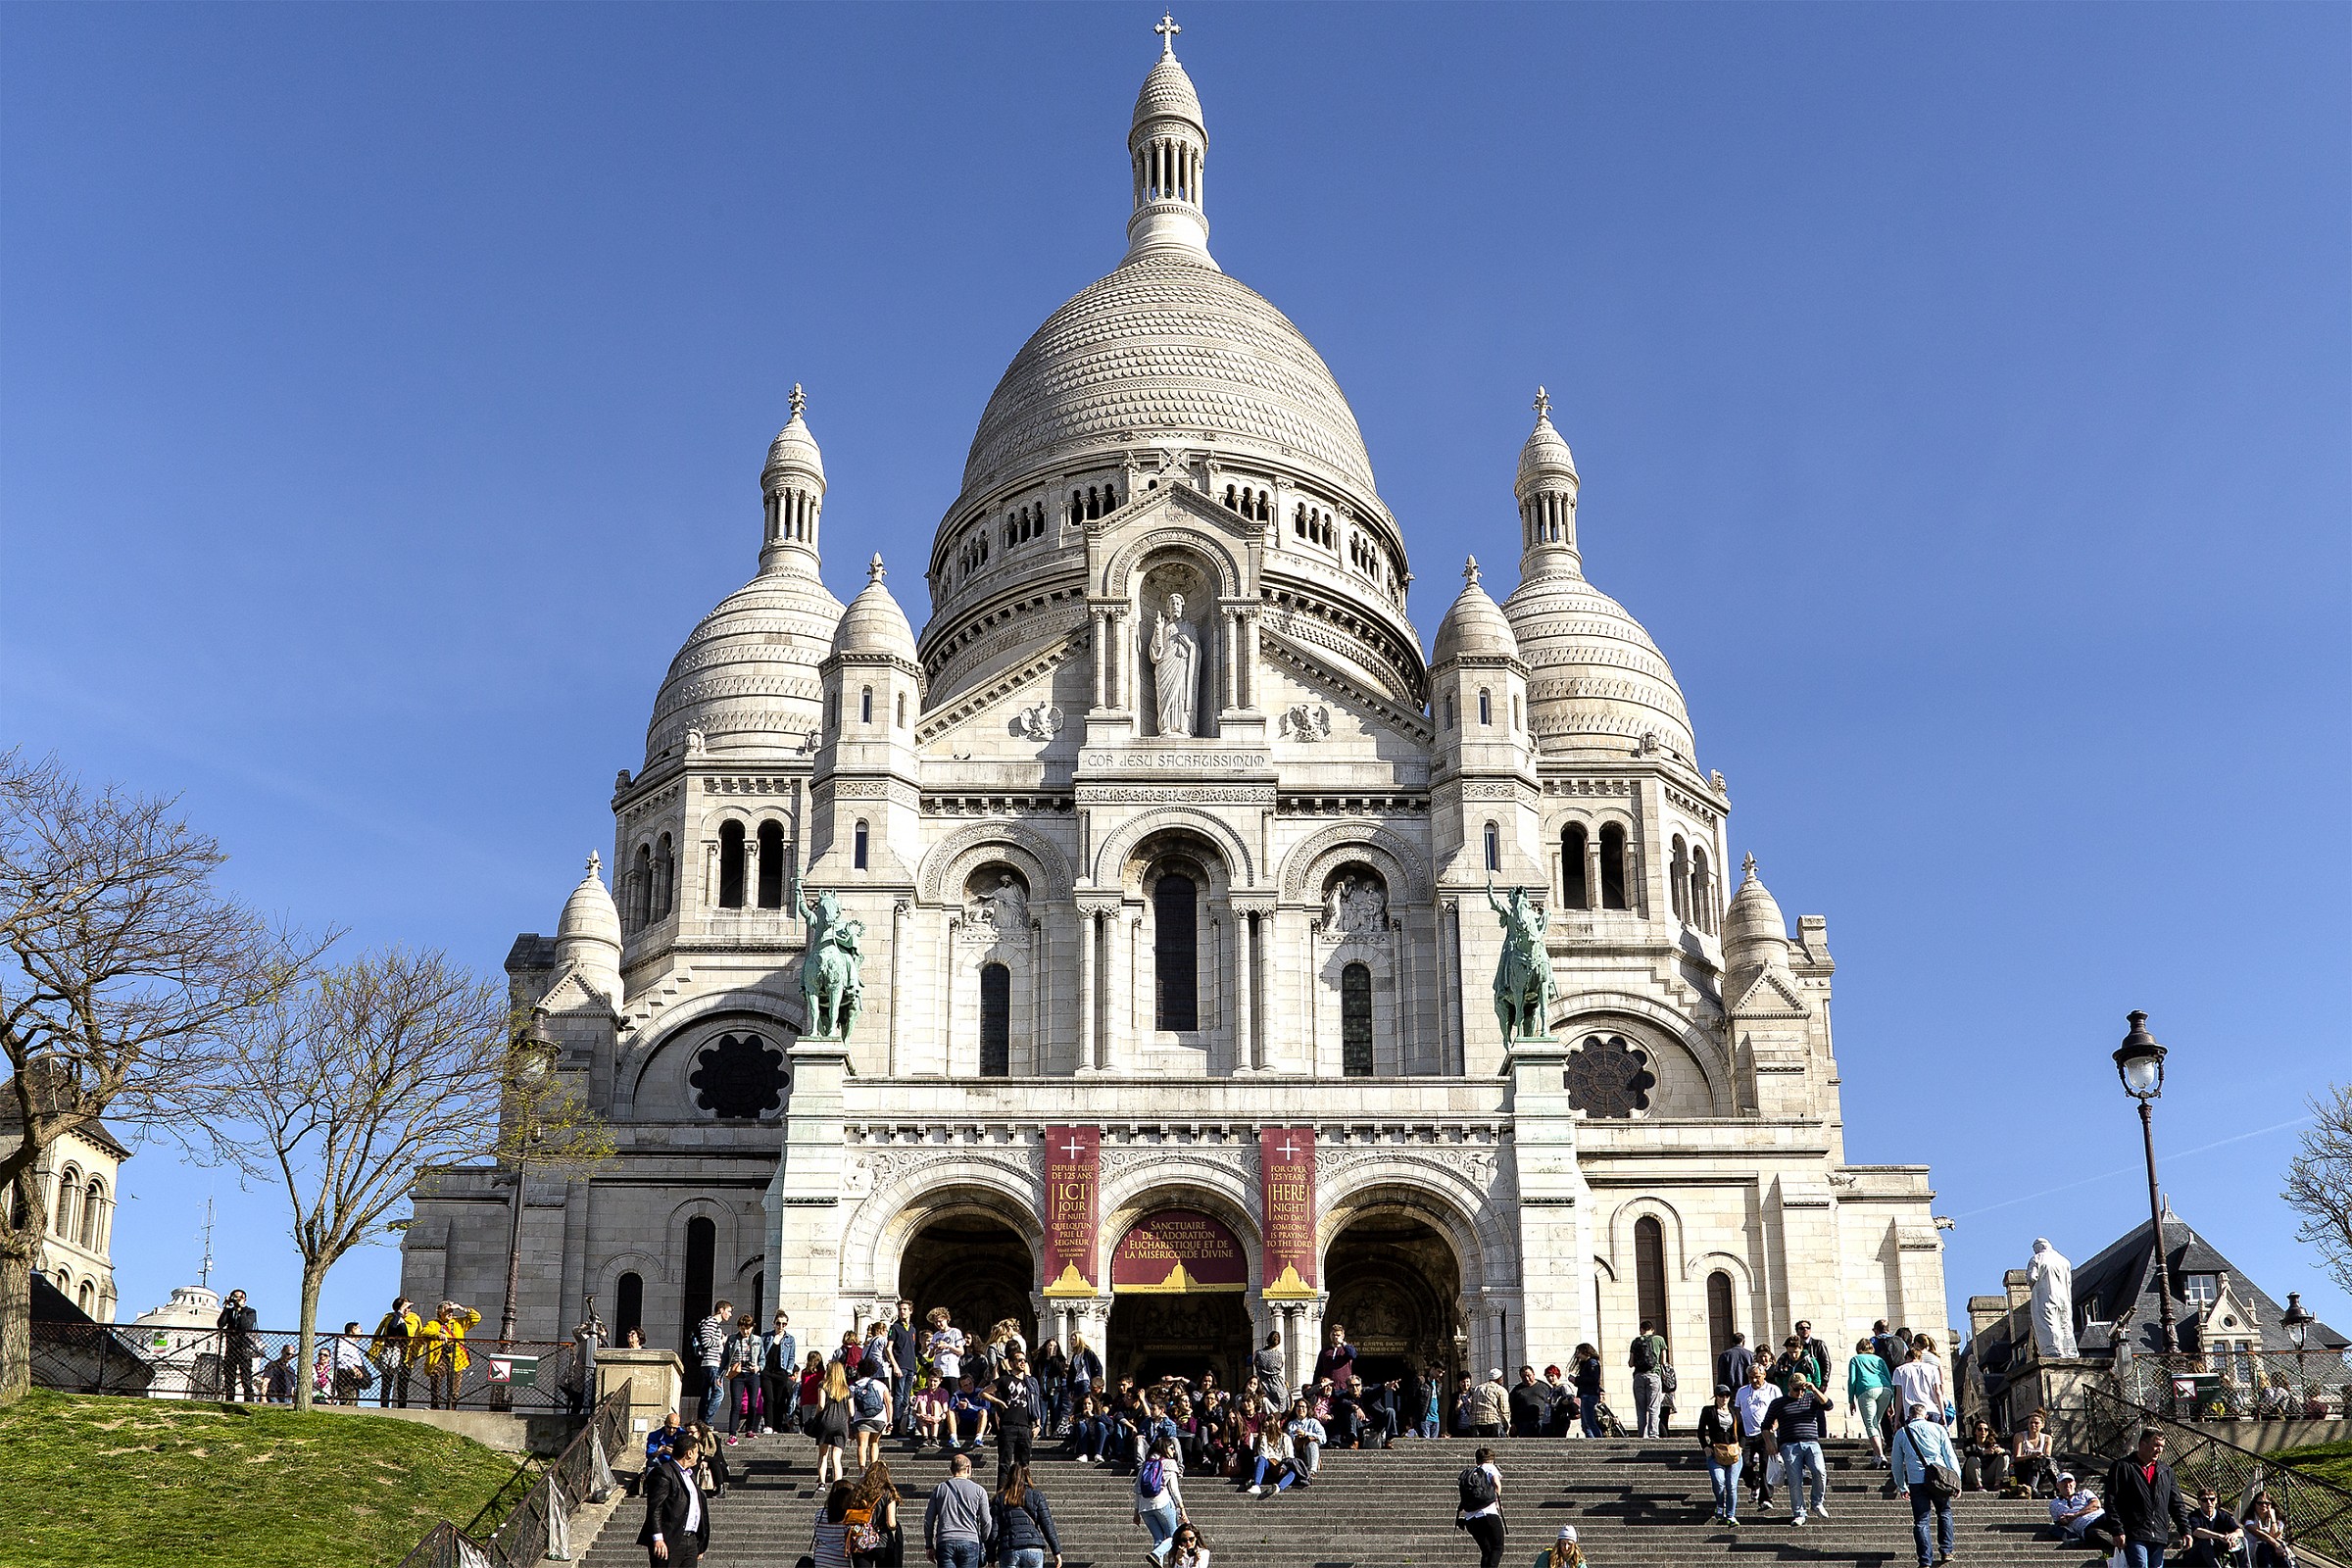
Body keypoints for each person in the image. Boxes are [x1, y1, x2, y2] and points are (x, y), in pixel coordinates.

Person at [2101, 1426, 2188, 1568]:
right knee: (2140, 1565)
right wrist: (2117, 1529)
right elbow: (2111, 1501)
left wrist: (2185, 1530)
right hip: (2134, 1532)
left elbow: (2176, 1503)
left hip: (2158, 1534)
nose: (2159, 1450)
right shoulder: (2122, 1467)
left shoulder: (2166, 1471)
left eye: (2162, 1446)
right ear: (2142, 1444)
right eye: (2156, 1445)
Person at [1890, 1400, 1960, 1568]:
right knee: (1944, 1512)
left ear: (1909, 1417)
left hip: (1916, 1480)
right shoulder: (1938, 1429)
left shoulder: (1902, 1433)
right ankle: (1947, 1551)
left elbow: (1896, 1463)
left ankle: (1925, 1560)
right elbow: (1950, 1456)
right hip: (1939, 1478)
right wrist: (1957, 1481)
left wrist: (1902, 1485)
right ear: (1926, 1416)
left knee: (1921, 1521)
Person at [1761, 1371, 1833, 1526]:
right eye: (1796, 1389)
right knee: (1795, 1480)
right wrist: (1769, 1443)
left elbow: (1828, 1405)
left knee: (1819, 1471)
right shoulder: (1778, 1403)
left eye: (1802, 1389)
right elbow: (1765, 1425)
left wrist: (1814, 1389)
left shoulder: (1811, 1398)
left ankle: (1817, 1502)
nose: (1800, 1393)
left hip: (1811, 1442)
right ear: (1789, 1386)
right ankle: (1799, 1513)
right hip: (1789, 1444)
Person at [638, 1428, 710, 1568]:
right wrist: (658, 1538)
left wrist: (700, 1542)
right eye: (697, 1452)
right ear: (689, 1453)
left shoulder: (689, 1475)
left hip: (691, 1540)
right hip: (669, 1539)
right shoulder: (664, 1472)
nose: (698, 1456)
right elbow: (655, 1507)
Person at [986, 1348, 1045, 1486]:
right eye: (1019, 1360)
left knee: (1023, 1465)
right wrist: (998, 1402)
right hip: (1008, 1425)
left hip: (1025, 1426)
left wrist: (1038, 1425)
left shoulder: (1030, 1383)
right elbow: (983, 1393)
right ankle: (1001, 1493)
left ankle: (1021, 1492)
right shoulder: (1004, 1380)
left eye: (1024, 1360)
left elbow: (1035, 1403)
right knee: (1004, 1463)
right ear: (1011, 1363)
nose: (1023, 1363)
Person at [925, 1451, 994, 1568]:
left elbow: (928, 1519)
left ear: (951, 1469)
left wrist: (929, 1545)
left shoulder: (940, 1489)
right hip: (970, 1540)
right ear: (968, 1468)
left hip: (945, 1540)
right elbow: (986, 1521)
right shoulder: (979, 1490)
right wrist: (982, 1539)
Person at [989, 1463, 1060, 1568]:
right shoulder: (1037, 1496)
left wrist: (990, 1557)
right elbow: (1047, 1525)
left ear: (1009, 1476)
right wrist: (1056, 1551)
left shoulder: (1000, 1498)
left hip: (1009, 1548)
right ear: (1028, 1476)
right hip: (1033, 1547)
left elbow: (994, 1530)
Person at [416, 1300, 481, 1410]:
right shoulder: (433, 1324)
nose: (450, 1313)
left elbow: (476, 1318)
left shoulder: (458, 1322)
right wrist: (437, 1335)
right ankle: (435, 1405)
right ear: (439, 1312)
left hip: (457, 1359)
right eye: (447, 1311)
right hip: (441, 1357)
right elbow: (424, 1332)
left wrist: (462, 1308)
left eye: (451, 1311)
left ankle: (451, 1409)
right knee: (436, 1375)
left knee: (454, 1388)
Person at [1133, 1436, 1188, 1563]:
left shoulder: (1146, 1464)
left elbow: (1137, 1489)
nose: (1173, 1451)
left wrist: (1136, 1512)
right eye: (1171, 1448)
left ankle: (1158, 1562)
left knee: (1158, 1539)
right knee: (1175, 1536)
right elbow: (1174, 1489)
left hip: (1144, 1508)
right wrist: (1182, 1507)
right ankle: (1157, 1554)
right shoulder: (1169, 1463)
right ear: (1164, 1448)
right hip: (1162, 1503)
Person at [1734, 1361, 1778, 1514]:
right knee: (1743, 1464)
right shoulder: (1742, 1391)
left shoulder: (1773, 1390)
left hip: (1765, 1433)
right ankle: (1754, 1485)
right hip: (1746, 1434)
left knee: (1766, 1465)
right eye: (1751, 1377)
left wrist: (1775, 1425)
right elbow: (1737, 1412)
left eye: (1757, 1377)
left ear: (1764, 1375)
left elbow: (1779, 1410)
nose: (1754, 1380)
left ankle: (1766, 1498)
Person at [1845, 1337, 1894, 1466]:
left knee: (1871, 1425)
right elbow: (1889, 1378)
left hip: (1866, 1389)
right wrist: (1892, 1401)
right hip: (1885, 1389)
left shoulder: (1856, 1359)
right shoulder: (1879, 1359)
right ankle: (1876, 1454)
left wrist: (1851, 1400)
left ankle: (1881, 1456)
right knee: (1875, 1422)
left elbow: (1852, 1380)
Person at [1696, 1384, 1741, 1525]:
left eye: (1727, 1395)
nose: (1724, 1398)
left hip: (1733, 1451)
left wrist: (1741, 1446)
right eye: (1721, 1395)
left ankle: (1731, 1515)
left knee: (1732, 1485)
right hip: (1716, 1451)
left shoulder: (1735, 1411)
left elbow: (1742, 1431)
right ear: (1716, 1397)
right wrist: (1705, 1446)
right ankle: (1720, 1505)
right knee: (1718, 1481)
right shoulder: (1709, 1411)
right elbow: (1700, 1430)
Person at [846, 1462, 904, 1568]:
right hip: (882, 1541)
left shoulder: (858, 1492)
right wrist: (897, 1528)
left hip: (860, 1540)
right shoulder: (888, 1493)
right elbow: (891, 1523)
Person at [1456, 1445, 1505, 1568]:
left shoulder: (1471, 1473)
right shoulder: (1490, 1467)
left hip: (1470, 1518)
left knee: (1486, 1551)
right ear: (1491, 1459)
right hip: (1488, 1513)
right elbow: (1497, 1485)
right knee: (1497, 1547)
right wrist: (1496, 1501)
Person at [2049, 1472, 2123, 1552]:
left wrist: (2075, 1515)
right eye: (2063, 1482)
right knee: (2095, 1534)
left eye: (2070, 1481)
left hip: (2100, 1517)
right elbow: (2058, 1523)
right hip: (2086, 1528)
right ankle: (2122, 1547)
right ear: (2057, 1485)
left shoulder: (2084, 1493)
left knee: (2114, 1518)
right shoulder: (2054, 1504)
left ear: (2074, 1484)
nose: (2067, 1484)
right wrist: (2063, 1521)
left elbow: (2096, 1504)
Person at [368, 1297, 417, 1408]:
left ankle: (402, 1407)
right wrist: (398, 1314)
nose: (407, 1310)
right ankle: (384, 1406)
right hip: (389, 1352)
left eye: (409, 1308)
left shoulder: (414, 1318)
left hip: (405, 1354)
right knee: (386, 1382)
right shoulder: (389, 1317)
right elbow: (390, 1328)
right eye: (405, 1307)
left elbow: (408, 1333)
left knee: (403, 1384)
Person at [2180, 1485, 2243, 1567]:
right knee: (2206, 1542)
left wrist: (2233, 1535)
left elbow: (2240, 1531)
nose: (2209, 1503)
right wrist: (2220, 1536)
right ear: (2199, 1502)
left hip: (2219, 1551)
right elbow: (2197, 1531)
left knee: (2242, 1540)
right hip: (2196, 1555)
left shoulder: (2223, 1515)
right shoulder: (2193, 1516)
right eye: (2204, 1500)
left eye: (2212, 1499)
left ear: (2216, 1500)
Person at [692, 1298, 733, 1427]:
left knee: (708, 1394)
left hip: (711, 1363)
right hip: (711, 1363)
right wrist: (721, 1341)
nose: (730, 1314)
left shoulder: (714, 1324)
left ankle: (702, 1421)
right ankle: (706, 1421)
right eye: (728, 1311)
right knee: (719, 1393)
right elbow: (706, 1342)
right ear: (721, 1310)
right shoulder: (711, 1322)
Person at [1891, 1335, 1947, 1426]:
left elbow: (1899, 1396)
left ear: (1907, 1357)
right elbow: (1937, 1392)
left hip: (1912, 1412)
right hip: (1932, 1409)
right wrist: (1943, 1414)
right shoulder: (1932, 1368)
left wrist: (1897, 1418)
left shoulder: (1900, 1370)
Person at [217, 1288, 260, 1402]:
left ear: (245, 1299)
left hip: (244, 1349)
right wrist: (226, 1308)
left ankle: (249, 1401)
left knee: (246, 1378)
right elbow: (220, 1324)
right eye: (235, 1297)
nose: (237, 1299)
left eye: (239, 1297)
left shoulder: (250, 1312)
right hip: (231, 1348)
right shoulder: (229, 1312)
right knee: (229, 1378)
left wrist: (241, 1310)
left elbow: (245, 1326)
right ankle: (229, 1400)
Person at [724, 1313, 763, 1441]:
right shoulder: (732, 1339)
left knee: (753, 1403)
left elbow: (762, 1359)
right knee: (736, 1404)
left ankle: (750, 1429)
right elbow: (725, 1357)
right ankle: (732, 1433)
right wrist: (720, 1374)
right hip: (737, 1374)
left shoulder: (757, 1340)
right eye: (743, 1329)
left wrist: (758, 1367)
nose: (745, 1332)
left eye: (748, 1328)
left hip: (752, 1374)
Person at [1628, 1320, 1670, 1438]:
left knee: (1641, 1408)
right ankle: (1653, 1433)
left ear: (1641, 1330)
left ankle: (1641, 1434)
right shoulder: (1659, 1340)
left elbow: (1631, 1363)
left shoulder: (1635, 1342)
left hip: (1638, 1376)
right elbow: (1663, 1361)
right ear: (1652, 1330)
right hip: (1654, 1376)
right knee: (1653, 1407)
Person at [814, 1361, 854, 1486]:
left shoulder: (823, 1385)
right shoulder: (847, 1390)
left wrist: (816, 1415)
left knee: (823, 1454)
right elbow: (852, 1412)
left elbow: (821, 1405)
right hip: (841, 1424)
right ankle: (837, 1485)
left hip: (826, 1422)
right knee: (836, 1458)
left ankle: (822, 1483)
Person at [760, 1311, 798, 1439]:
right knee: (769, 1398)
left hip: (781, 1372)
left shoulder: (790, 1339)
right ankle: (768, 1425)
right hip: (767, 1371)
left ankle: (777, 1426)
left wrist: (788, 1370)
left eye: (784, 1324)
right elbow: (761, 1352)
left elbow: (791, 1356)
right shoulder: (766, 1337)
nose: (781, 1326)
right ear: (774, 1323)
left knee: (779, 1400)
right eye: (778, 1323)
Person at [852, 1359, 895, 1469]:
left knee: (862, 1445)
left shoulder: (853, 1386)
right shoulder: (880, 1385)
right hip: (879, 1418)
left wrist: (849, 1422)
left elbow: (850, 1407)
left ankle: (862, 1471)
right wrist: (889, 1420)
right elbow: (888, 1403)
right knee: (874, 1443)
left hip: (860, 1418)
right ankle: (873, 1469)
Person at [891, 1301, 920, 1439]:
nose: (902, 1312)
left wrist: (914, 1371)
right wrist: (895, 1365)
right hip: (900, 1366)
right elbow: (888, 1348)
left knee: (906, 1398)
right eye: (900, 1309)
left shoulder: (913, 1329)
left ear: (910, 1311)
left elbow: (912, 1349)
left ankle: (901, 1427)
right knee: (898, 1396)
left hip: (910, 1367)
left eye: (904, 1309)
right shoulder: (895, 1327)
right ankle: (895, 1428)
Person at [329, 1320, 373, 1405]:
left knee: (354, 1396)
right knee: (348, 1397)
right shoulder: (344, 1341)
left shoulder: (354, 1345)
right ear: (353, 1330)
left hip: (354, 1372)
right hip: (345, 1373)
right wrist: (352, 1367)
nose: (361, 1331)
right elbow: (338, 1355)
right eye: (359, 1329)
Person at [2244, 1492, 2294, 1567]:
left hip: (2274, 1550)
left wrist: (2273, 1519)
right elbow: (2260, 1535)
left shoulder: (2278, 1520)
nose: (2263, 1505)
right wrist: (2276, 1544)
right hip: (2255, 1551)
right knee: (2263, 1545)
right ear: (2254, 1505)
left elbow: (2274, 1535)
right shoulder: (2249, 1519)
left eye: (2267, 1503)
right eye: (2260, 1503)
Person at [1960, 1416, 2009, 1492]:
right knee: (1972, 1459)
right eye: (1980, 1429)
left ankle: (1997, 1484)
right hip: (1973, 1474)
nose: (1983, 1431)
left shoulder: (1993, 1442)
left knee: (2005, 1457)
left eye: (1986, 1429)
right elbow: (1967, 1452)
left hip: (1988, 1472)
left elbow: (2009, 1452)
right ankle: (1979, 1486)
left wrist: (2002, 1450)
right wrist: (1983, 1452)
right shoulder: (1970, 1442)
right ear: (1975, 1431)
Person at [950, 1374, 992, 1454]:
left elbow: (987, 1408)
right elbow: (951, 1408)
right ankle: (953, 1439)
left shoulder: (981, 1392)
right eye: (965, 1385)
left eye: (970, 1383)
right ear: (961, 1387)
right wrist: (958, 1407)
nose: (969, 1386)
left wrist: (970, 1407)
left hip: (977, 1422)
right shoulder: (957, 1395)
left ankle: (978, 1439)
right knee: (951, 1412)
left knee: (983, 1411)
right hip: (963, 1423)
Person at [1284, 1397, 1325, 1479]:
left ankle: (1312, 1471)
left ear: (1307, 1409)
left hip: (1308, 1451)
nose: (1301, 1409)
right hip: (1295, 1451)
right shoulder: (1291, 1424)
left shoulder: (1314, 1422)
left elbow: (1323, 1438)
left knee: (1312, 1444)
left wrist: (1306, 1434)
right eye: (1298, 1407)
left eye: (1303, 1407)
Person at [1572, 1346, 1605, 1438]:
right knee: (1586, 1425)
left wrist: (1576, 1380)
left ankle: (1598, 1441)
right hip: (1586, 1395)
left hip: (1589, 1395)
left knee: (1589, 1422)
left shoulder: (1592, 1362)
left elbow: (1593, 1379)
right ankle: (1592, 1440)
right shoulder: (1587, 1363)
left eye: (1579, 1352)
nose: (1578, 1355)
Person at [1507, 1366, 1549, 1439]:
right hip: (1524, 1423)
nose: (1527, 1379)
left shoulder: (1544, 1387)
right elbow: (1512, 1407)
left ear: (1533, 1374)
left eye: (1529, 1375)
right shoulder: (1517, 1390)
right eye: (1523, 1377)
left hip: (1541, 1421)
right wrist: (1513, 1423)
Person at [1792, 1320, 1832, 1397]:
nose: (1805, 1330)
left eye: (1807, 1328)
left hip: (1816, 1382)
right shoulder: (1794, 1346)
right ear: (1797, 1331)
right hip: (1799, 1384)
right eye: (1802, 1328)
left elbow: (1826, 1364)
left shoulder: (1818, 1344)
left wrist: (1824, 1383)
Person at [1314, 1323, 1358, 1391]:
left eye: (1338, 1335)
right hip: (1327, 1388)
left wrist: (1343, 1343)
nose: (1335, 1337)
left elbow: (1353, 1355)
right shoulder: (1324, 1351)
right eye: (1333, 1335)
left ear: (1342, 1336)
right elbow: (1318, 1370)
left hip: (1343, 1387)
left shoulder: (1346, 1349)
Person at [1714, 1332, 1753, 1396]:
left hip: (1730, 1391)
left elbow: (1721, 1376)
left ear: (1732, 1342)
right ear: (1743, 1342)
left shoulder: (1724, 1355)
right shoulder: (1750, 1355)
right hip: (1747, 1390)